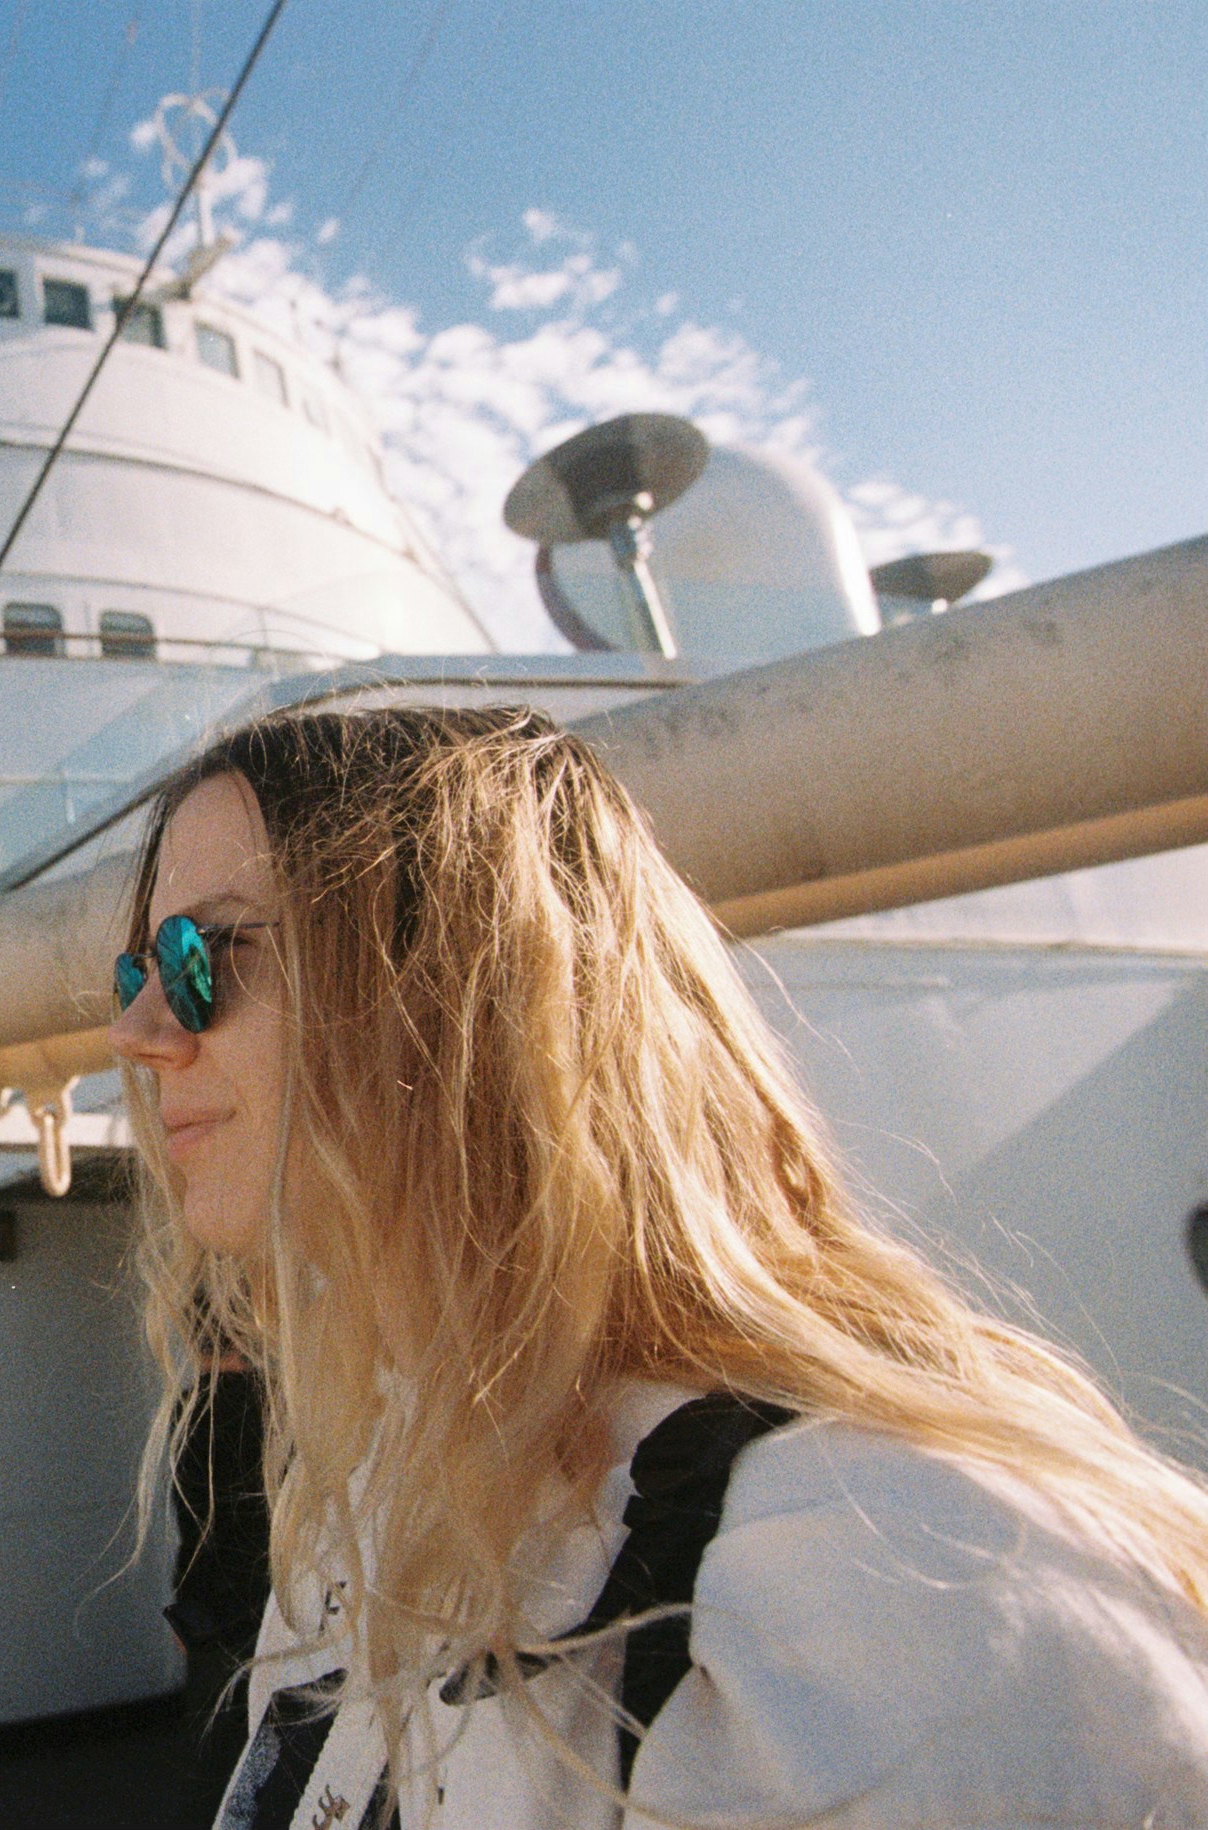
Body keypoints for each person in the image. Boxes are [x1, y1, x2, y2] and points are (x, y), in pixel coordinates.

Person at [105, 705, 1208, 1829]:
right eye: (134, 971)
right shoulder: (384, 1491)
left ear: (465, 992)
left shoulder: (907, 1580)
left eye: (203, 959)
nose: (139, 1032)